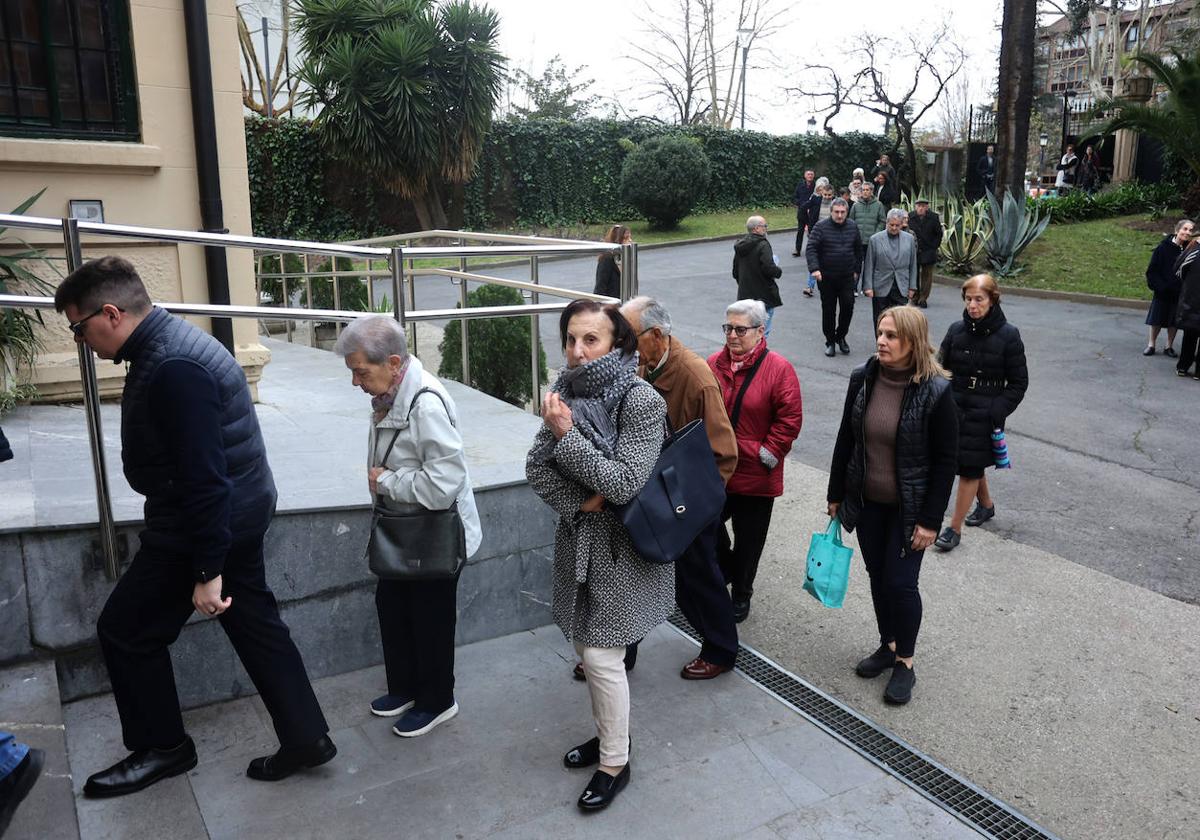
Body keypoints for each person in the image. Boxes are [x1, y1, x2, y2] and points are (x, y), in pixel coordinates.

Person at [54, 257, 333, 797]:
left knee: (127, 630)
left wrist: (207, 568)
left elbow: (205, 478)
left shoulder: (171, 365)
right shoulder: (168, 342)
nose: (80, 340)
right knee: (255, 624)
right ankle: (307, 737)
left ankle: (164, 748)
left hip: (200, 522)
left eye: (78, 327)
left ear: (110, 313)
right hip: (236, 511)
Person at [525, 300, 672, 812]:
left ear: (617, 345)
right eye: (571, 339)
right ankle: (613, 736)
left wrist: (567, 437)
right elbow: (536, 469)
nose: (578, 350)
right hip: (580, 538)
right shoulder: (564, 391)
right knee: (590, 652)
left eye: (591, 340)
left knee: (601, 658)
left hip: (623, 551)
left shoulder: (641, 400)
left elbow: (626, 481)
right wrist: (582, 501)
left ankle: (614, 761)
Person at [333, 316, 481, 736]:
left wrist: (388, 481)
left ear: (394, 362)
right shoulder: (391, 394)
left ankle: (438, 700)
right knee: (394, 607)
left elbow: (445, 484)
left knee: (429, 617)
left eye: (361, 371)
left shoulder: (425, 403)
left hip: (434, 535)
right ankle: (406, 688)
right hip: (403, 528)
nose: (356, 382)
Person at [827, 306, 958, 705]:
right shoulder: (863, 379)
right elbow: (846, 440)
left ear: (912, 342)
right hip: (867, 503)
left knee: (901, 584)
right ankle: (888, 643)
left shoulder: (936, 391)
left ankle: (905, 661)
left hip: (909, 509)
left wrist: (931, 521)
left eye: (891, 336)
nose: (881, 341)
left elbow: (945, 461)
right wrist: (835, 494)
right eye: (880, 333)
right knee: (877, 576)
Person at [620, 297, 740, 680]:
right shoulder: (641, 365)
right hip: (650, 494)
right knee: (633, 575)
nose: (622, 345)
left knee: (697, 578)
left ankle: (721, 650)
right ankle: (618, 654)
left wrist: (695, 511)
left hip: (685, 504)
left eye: (629, 336)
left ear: (656, 335)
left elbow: (725, 452)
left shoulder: (695, 377)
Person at [707, 300, 803, 623]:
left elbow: (790, 418)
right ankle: (728, 570)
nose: (732, 336)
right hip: (719, 470)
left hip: (756, 472)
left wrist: (770, 452)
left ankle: (741, 594)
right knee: (705, 525)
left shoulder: (779, 368)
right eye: (728, 328)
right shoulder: (712, 364)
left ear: (760, 331)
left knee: (749, 540)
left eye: (740, 329)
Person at [934, 275, 1029, 551]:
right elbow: (940, 369)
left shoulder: (1009, 335)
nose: (973, 305)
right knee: (967, 462)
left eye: (979, 299)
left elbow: (1019, 383)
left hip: (985, 412)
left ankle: (954, 528)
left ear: (992, 300)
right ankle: (985, 505)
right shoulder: (955, 330)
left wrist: (996, 409)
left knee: (970, 467)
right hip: (954, 408)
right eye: (968, 299)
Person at [807, 197, 863, 357]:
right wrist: (815, 269)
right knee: (829, 310)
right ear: (831, 212)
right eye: (836, 212)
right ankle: (830, 341)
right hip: (827, 278)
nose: (839, 215)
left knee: (848, 307)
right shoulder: (820, 227)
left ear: (847, 212)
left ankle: (841, 336)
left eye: (843, 212)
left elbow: (858, 251)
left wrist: (856, 271)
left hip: (846, 277)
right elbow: (811, 248)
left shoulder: (852, 227)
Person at [1144, 220, 1194, 357]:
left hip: (1180, 292)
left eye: (1190, 230)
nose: (1187, 232)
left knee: (1174, 321)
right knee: (1156, 319)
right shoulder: (1163, 247)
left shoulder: (1190, 249)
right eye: (1185, 229)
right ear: (1177, 230)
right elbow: (1152, 270)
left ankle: (1169, 346)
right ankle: (1151, 345)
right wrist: (1160, 286)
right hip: (1163, 290)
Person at [861, 209, 918, 324]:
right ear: (886, 223)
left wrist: (912, 287)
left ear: (902, 224)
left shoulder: (909, 239)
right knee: (880, 319)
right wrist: (868, 286)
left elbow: (913, 265)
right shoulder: (875, 239)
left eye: (897, 225)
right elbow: (869, 264)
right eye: (891, 225)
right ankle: (880, 342)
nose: (894, 228)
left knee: (900, 321)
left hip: (901, 286)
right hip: (880, 286)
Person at [732, 215, 784, 334]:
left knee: (748, 331)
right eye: (764, 226)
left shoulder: (740, 246)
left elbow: (735, 272)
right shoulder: (763, 244)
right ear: (756, 228)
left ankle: (749, 352)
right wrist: (778, 271)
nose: (766, 228)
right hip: (763, 295)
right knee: (762, 331)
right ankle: (759, 352)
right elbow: (768, 268)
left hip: (744, 296)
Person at [801, 181, 835, 298]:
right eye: (825, 194)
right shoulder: (816, 200)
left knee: (830, 261)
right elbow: (803, 208)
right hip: (817, 234)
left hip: (832, 236)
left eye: (829, 195)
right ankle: (810, 286)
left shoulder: (836, 204)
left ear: (833, 194)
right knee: (814, 260)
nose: (827, 197)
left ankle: (830, 286)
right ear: (822, 193)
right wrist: (809, 224)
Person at [908, 198, 943, 308]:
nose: (921, 208)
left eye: (923, 206)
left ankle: (923, 298)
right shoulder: (910, 217)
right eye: (919, 206)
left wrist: (934, 246)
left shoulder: (933, 217)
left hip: (929, 249)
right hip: (915, 249)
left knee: (927, 275)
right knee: (914, 274)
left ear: (927, 207)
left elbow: (938, 234)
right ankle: (915, 296)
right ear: (915, 207)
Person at [1175, 238, 1200, 379]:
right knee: (1190, 335)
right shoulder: (1195, 250)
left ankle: (1183, 366)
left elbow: (1179, 269)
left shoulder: (1194, 250)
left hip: (1192, 300)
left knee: (1190, 335)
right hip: (1193, 299)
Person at [594, 225, 631, 298]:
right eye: (626, 238)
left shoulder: (625, 258)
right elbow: (600, 288)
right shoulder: (606, 259)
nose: (630, 241)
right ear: (617, 240)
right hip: (611, 302)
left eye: (630, 237)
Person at [848, 182, 887, 250]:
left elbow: (882, 221)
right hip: (858, 240)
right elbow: (851, 221)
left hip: (872, 240)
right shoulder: (856, 205)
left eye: (867, 190)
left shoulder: (879, 205)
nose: (865, 192)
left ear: (871, 191)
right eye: (863, 190)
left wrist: (876, 234)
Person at [792, 170, 817, 257]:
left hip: (812, 212)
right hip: (802, 211)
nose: (810, 176)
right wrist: (800, 204)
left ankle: (812, 250)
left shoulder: (816, 185)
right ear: (805, 176)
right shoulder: (800, 185)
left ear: (813, 176)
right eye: (808, 174)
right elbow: (795, 197)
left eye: (811, 174)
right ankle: (797, 250)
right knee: (800, 231)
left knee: (812, 232)